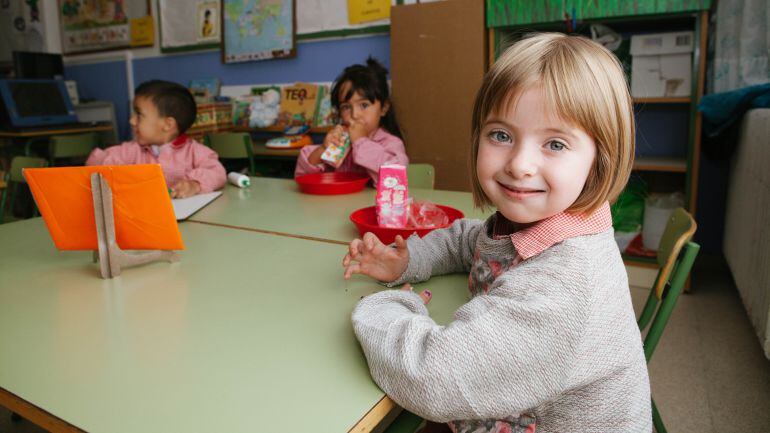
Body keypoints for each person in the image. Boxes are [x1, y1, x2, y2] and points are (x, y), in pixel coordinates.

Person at [343, 33, 651, 432]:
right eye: (501, 135)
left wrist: (388, 306)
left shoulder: (563, 289)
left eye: (555, 144)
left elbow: (431, 377)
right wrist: (409, 259)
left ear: (600, 159)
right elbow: (472, 238)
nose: (520, 164)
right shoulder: (546, 221)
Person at [87, 80, 226, 198]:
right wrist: (120, 171)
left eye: (139, 115)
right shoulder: (133, 149)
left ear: (167, 124)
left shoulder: (194, 151)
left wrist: (194, 184)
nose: (132, 121)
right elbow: (95, 161)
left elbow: (218, 172)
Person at [294, 57, 408, 184]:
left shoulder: (391, 143)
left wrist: (361, 142)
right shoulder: (340, 141)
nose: (354, 115)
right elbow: (302, 177)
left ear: (383, 108)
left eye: (364, 105)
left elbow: (396, 178)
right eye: (346, 107)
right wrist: (323, 149)